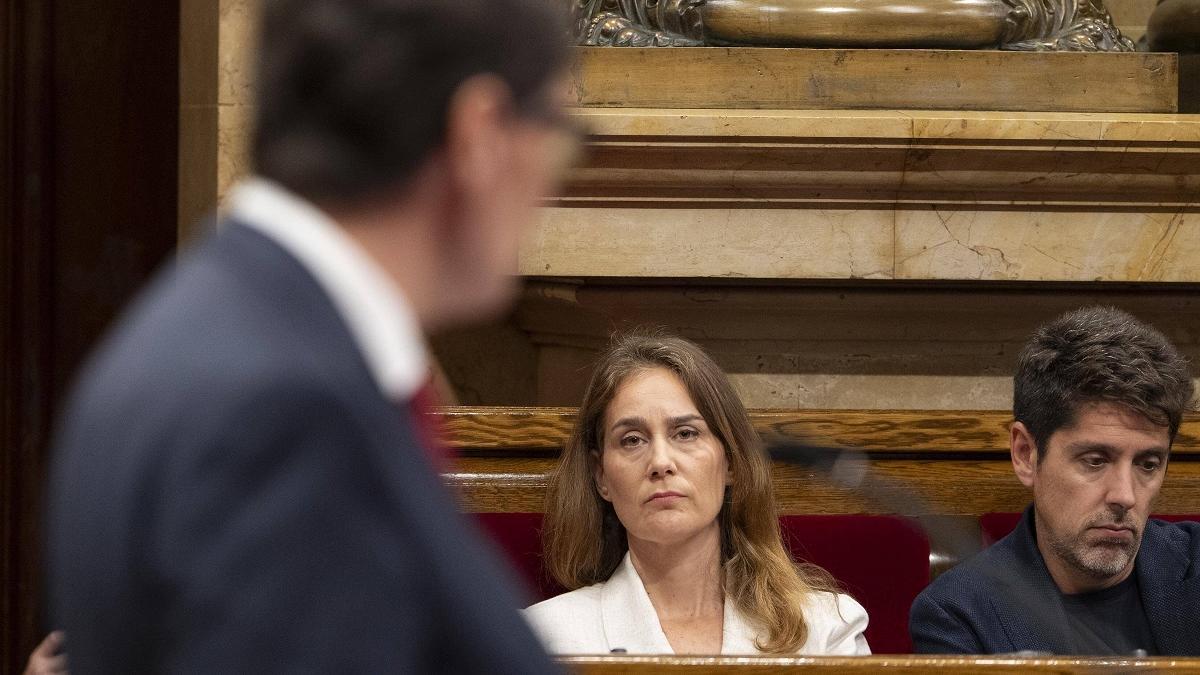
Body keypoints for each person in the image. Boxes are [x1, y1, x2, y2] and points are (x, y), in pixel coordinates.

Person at [46, 0, 574, 671]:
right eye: (558, 129)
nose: (553, 181)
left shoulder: (217, 327)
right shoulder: (285, 409)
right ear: (479, 130)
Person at [525, 333, 870, 655]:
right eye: (632, 440)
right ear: (601, 475)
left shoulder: (824, 629)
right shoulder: (543, 637)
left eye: (686, 433)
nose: (660, 462)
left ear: (730, 461)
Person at [910, 306, 1200, 655]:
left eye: (1148, 464)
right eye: (1095, 461)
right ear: (1026, 454)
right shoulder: (960, 614)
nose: (1125, 496)